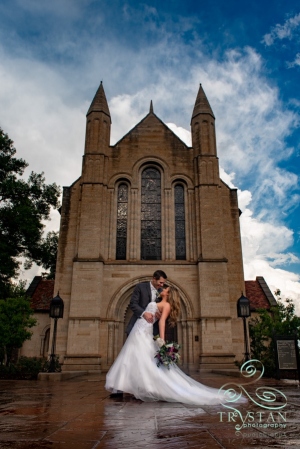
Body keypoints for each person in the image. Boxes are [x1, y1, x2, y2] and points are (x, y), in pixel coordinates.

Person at [106, 285, 241, 405]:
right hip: (139, 330)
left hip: (142, 332)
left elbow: (162, 323)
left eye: (166, 289)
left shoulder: (166, 305)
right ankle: (129, 385)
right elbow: (155, 317)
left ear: (169, 294)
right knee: (133, 357)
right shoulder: (159, 303)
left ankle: (145, 387)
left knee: (139, 358)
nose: (163, 289)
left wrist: (162, 341)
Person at [126, 270, 167, 336]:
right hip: (137, 325)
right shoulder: (140, 287)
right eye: (160, 282)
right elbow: (133, 304)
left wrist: (160, 315)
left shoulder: (162, 292)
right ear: (154, 279)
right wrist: (144, 313)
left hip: (153, 329)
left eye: (163, 283)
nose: (162, 285)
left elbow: (164, 307)